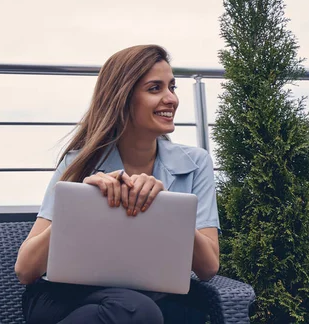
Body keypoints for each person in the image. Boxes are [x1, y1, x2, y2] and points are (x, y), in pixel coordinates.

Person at [14, 45, 220, 324]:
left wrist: (164, 205)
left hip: (149, 299)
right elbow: (26, 270)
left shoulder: (196, 164)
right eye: (155, 88)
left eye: (172, 87)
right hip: (66, 297)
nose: (171, 98)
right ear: (123, 98)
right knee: (138, 310)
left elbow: (208, 268)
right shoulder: (80, 163)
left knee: (169, 313)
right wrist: (82, 203)